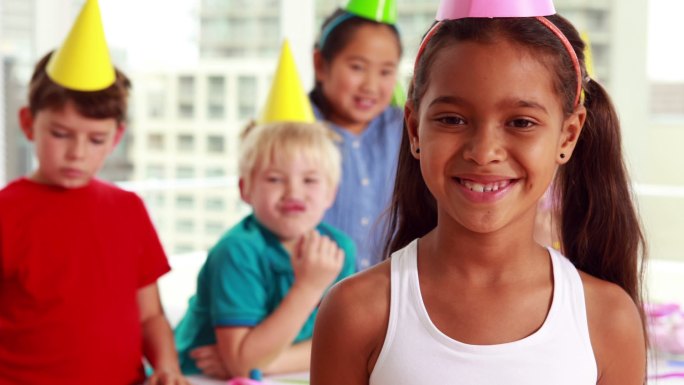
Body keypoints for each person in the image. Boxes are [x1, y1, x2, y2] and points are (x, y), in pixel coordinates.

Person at [311, 0, 648, 384]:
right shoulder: (356, 312)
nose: (484, 152)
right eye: (452, 119)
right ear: (415, 129)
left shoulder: (607, 319)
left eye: (521, 122)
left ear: (568, 136)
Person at [0, 1, 187, 384]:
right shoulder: (6, 211)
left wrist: (168, 366)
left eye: (96, 139)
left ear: (116, 138)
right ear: (28, 123)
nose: (77, 152)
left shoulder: (129, 209)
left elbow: (150, 314)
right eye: (60, 133)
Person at [174, 41, 355, 379]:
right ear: (245, 189)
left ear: (331, 193)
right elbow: (242, 364)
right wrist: (309, 287)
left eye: (310, 180)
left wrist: (268, 362)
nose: (293, 192)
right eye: (275, 178)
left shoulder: (338, 249)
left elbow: (348, 344)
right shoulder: (238, 251)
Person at [311, 0, 404, 271]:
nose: (371, 85)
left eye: (386, 71)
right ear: (320, 65)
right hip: (310, 296)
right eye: (357, 67)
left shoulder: (405, 128)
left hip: (387, 292)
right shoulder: (296, 131)